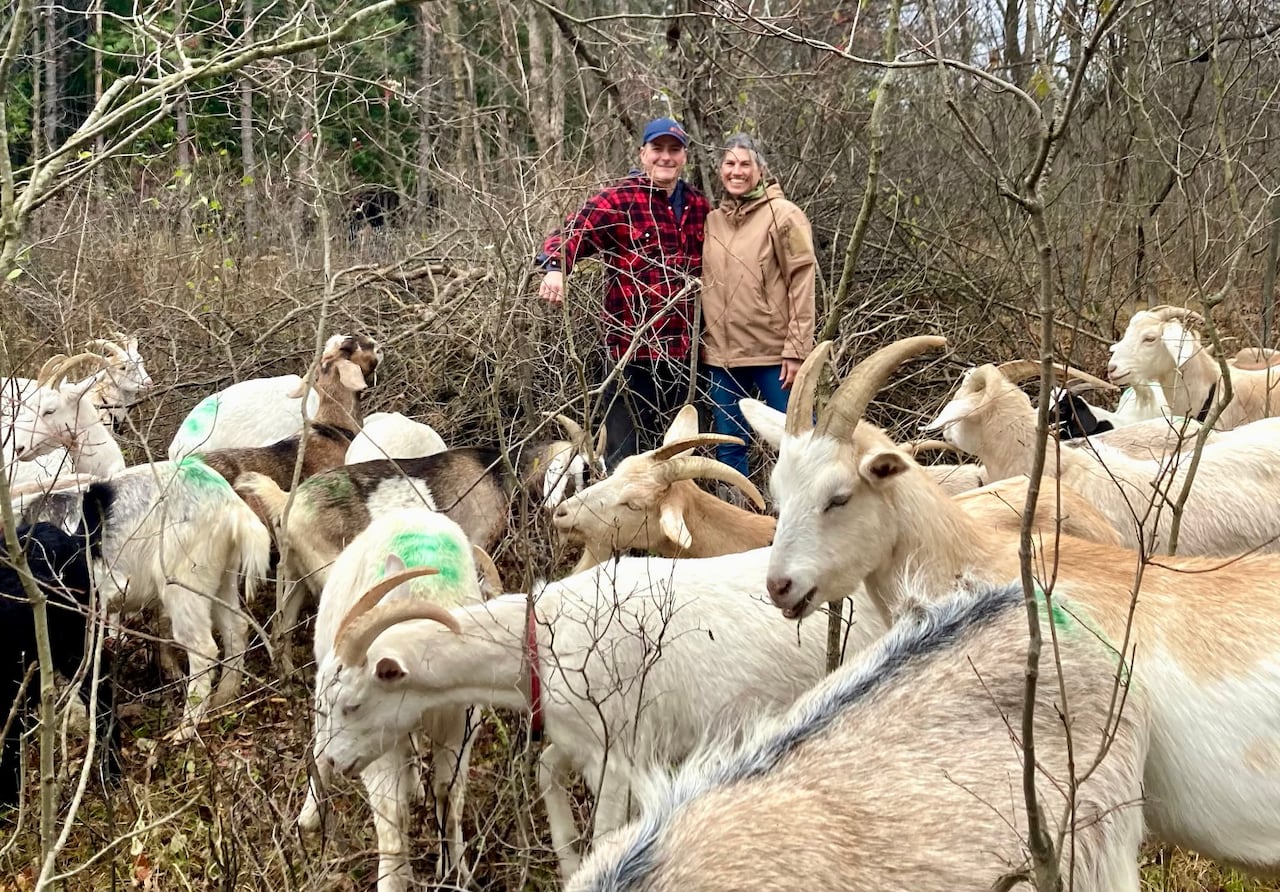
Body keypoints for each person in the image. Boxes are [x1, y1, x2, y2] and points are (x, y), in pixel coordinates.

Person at [535, 117, 710, 469]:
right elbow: (569, 235)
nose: (665, 157)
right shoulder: (619, 200)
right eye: (657, 149)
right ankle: (619, 523)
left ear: (685, 156)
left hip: (687, 353)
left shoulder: (698, 206)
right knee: (623, 457)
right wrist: (555, 269)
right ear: (643, 153)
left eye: (674, 150)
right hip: (629, 352)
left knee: (686, 457)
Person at [699, 133, 816, 478]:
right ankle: (738, 521)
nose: (737, 171)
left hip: (774, 356)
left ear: (761, 169)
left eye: (745, 164)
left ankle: (809, 524)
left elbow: (802, 279)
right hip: (722, 357)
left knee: (799, 443)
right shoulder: (712, 221)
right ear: (720, 170)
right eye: (730, 164)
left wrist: (797, 348)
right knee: (729, 445)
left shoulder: (784, 215)